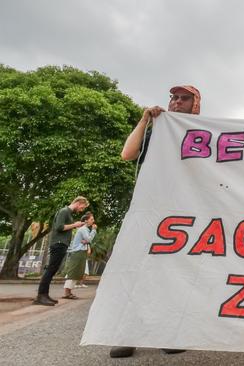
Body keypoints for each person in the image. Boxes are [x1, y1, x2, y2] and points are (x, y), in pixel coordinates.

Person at [110, 85, 201, 359]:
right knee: (135, 271)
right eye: (174, 97)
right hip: (149, 212)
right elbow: (128, 154)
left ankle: (166, 332)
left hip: (181, 216)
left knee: (172, 274)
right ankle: (127, 334)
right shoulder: (159, 131)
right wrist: (144, 120)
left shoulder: (205, 133)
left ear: (195, 104)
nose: (176, 102)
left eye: (184, 98)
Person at [33, 196, 89, 306]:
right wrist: (75, 225)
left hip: (61, 244)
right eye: (83, 207)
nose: (82, 210)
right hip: (58, 243)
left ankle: (45, 295)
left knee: (52, 269)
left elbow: (63, 227)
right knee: (51, 269)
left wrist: (74, 226)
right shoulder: (64, 211)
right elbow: (59, 227)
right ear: (79, 202)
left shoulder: (68, 213)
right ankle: (41, 296)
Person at [62, 212, 97, 299]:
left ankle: (69, 292)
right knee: (73, 271)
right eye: (91, 219)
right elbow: (89, 239)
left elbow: (87, 240)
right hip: (78, 252)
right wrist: (94, 230)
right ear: (86, 221)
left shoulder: (85, 230)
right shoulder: (83, 229)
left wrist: (87, 241)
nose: (93, 221)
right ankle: (67, 293)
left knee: (77, 273)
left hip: (81, 252)